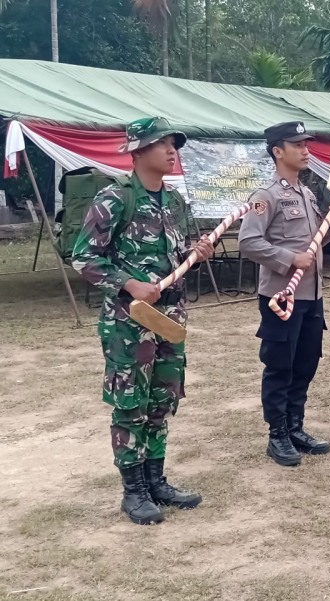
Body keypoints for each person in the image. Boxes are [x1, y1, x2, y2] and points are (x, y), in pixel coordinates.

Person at [72, 117, 215, 525]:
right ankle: (133, 490)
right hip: (129, 321)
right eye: (163, 144)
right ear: (137, 151)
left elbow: (178, 251)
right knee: (130, 403)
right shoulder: (115, 199)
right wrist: (128, 283)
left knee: (162, 399)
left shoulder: (174, 201)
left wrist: (196, 251)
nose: (173, 151)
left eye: (175, 144)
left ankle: (156, 480)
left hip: (170, 315)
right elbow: (84, 257)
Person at [239, 121, 330, 467]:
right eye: (297, 144)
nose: (305, 150)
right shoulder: (265, 197)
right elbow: (249, 242)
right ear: (277, 151)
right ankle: (278, 434)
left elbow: (316, 243)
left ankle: (296, 426)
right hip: (280, 296)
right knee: (279, 366)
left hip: (311, 294)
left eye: (306, 144)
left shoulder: (308, 193)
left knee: (306, 363)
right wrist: (289, 259)